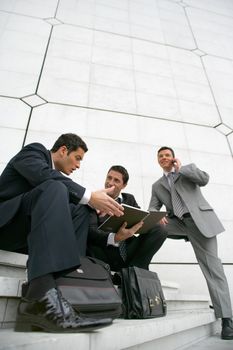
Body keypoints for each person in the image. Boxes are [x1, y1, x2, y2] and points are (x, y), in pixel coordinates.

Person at [0, 133, 124, 333]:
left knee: (82, 209)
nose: (78, 165)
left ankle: (68, 286)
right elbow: (44, 176)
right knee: (57, 188)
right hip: (5, 226)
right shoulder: (34, 151)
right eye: (78, 158)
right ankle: (39, 298)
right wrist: (89, 196)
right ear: (64, 150)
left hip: (27, 235)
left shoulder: (56, 182)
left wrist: (94, 205)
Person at [148, 146, 233, 340]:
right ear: (158, 160)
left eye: (167, 155)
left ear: (173, 158)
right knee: (149, 226)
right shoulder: (157, 185)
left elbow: (204, 179)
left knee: (212, 269)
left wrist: (182, 168)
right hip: (178, 223)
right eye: (160, 156)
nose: (164, 158)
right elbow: (152, 207)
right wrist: (157, 216)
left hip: (201, 222)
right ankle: (138, 265)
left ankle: (227, 320)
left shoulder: (186, 172)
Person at [87, 165, 167, 273]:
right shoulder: (95, 200)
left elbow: (141, 218)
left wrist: (153, 219)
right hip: (105, 250)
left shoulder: (129, 198)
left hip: (128, 248)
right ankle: (133, 272)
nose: (110, 183)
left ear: (124, 185)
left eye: (116, 180)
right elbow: (91, 232)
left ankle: (135, 270)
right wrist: (115, 237)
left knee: (160, 229)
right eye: (109, 178)